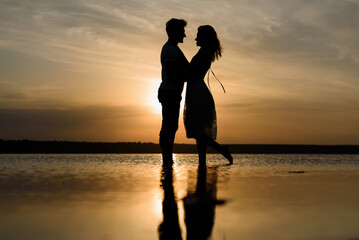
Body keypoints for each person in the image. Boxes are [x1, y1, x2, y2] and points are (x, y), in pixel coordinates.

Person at [184, 25, 233, 165]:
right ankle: (202, 163)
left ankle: (221, 149)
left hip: (198, 93)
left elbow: (193, 73)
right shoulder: (205, 52)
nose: (195, 38)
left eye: (198, 35)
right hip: (196, 91)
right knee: (200, 133)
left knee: (199, 132)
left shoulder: (204, 53)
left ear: (204, 37)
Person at [158, 18, 189, 164]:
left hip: (171, 92)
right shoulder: (170, 49)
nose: (184, 35)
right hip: (170, 92)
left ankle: (167, 160)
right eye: (182, 32)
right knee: (169, 127)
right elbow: (172, 72)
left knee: (170, 126)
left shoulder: (172, 48)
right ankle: (167, 160)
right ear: (174, 32)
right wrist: (189, 76)